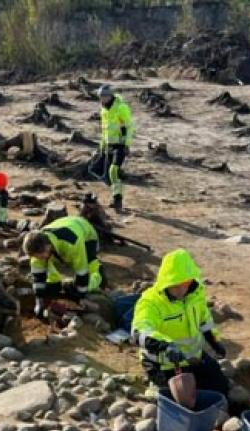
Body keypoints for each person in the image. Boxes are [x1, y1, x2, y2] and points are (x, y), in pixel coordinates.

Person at [131, 248, 229, 395]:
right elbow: (139, 332)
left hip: (193, 358)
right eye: (175, 285)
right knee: (177, 400)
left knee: (221, 388)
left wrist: (214, 342)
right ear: (165, 282)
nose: (181, 290)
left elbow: (204, 320)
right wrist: (165, 346)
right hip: (162, 364)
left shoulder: (196, 293)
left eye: (185, 283)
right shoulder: (150, 302)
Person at [23, 215, 103, 319]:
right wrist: (39, 301)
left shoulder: (72, 243)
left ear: (48, 246)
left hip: (86, 234)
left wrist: (80, 296)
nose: (41, 259)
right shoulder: (37, 248)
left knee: (88, 272)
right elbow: (38, 276)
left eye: (42, 256)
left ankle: (99, 275)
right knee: (49, 265)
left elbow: (81, 270)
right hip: (66, 226)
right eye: (38, 257)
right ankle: (58, 284)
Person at [97, 84, 134, 213]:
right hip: (109, 145)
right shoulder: (103, 109)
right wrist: (102, 145)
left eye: (104, 96)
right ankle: (115, 197)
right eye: (100, 97)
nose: (102, 99)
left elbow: (129, 126)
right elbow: (104, 128)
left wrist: (127, 144)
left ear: (110, 95)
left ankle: (118, 200)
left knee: (113, 171)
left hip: (120, 144)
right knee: (108, 174)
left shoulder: (121, 107)